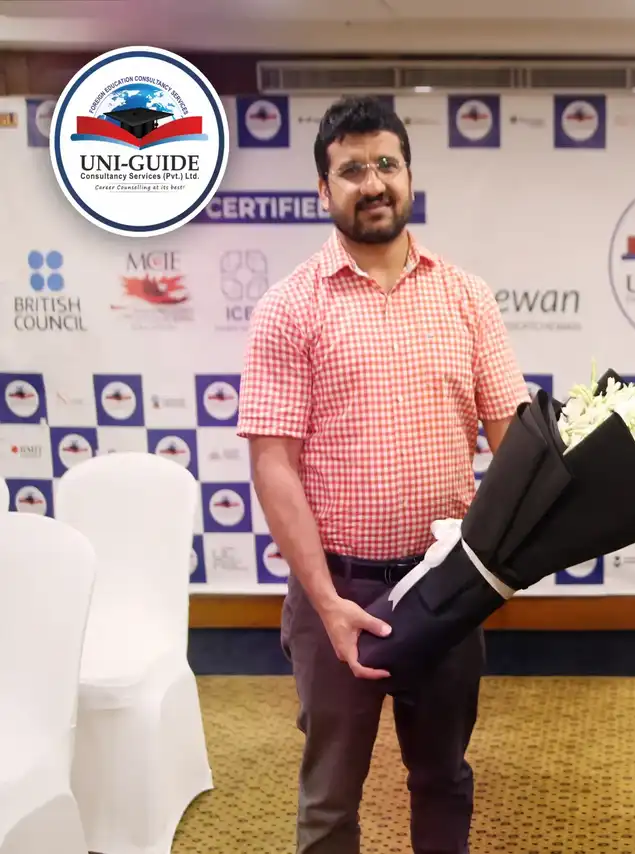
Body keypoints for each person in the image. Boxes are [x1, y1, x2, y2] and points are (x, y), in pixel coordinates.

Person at [236, 95, 529, 854]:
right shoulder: (288, 307)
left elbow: (516, 444)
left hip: (444, 585)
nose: (373, 183)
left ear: (409, 175)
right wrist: (326, 600)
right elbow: (273, 464)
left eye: (387, 164)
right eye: (352, 170)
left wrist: (501, 563)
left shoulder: (467, 297)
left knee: (443, 779)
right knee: (330, 798)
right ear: (323, 190)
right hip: (336, 590)